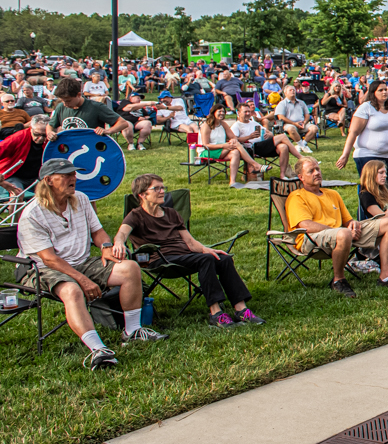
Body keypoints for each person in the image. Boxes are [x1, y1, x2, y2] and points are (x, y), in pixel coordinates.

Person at [16, 159, 166, 369]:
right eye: (66, 175)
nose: (73, 178)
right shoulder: (33, 214)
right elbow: (49, 258)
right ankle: (98, 349)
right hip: (42, 268)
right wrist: (83, 280)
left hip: (81, 261)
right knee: (72, 290)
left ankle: (132, 331)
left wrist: (106, 246)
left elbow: (98, 232)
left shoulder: (81, 199)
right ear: (48, 180)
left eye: (74, 174)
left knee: (130, 268)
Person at [115, 173, 265, 327]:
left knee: (223, 259)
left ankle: (241, 310)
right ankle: (216, 313)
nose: (162, 191)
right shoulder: (135, 216)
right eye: (157, 188)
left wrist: (206, 249)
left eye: (163, 187)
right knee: (205, 259)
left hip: (185, 255)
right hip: (161, 259)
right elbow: (121, 234)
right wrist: (119, 243)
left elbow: (190, 242)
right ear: (142, 194)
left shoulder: (171, 213)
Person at [286, 157, 388, 297]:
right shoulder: (296, 197)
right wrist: (341, 231)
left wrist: (353, 225)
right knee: (344, 233)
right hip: (310, 238)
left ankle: (386, 277)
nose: (316, 173)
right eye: (311, 171)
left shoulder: (332, 194)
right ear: (301, 177)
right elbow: (306, 225)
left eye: (318, 169)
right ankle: (338, 280)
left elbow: (348, 220)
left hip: (341, 234)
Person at [336, 79, 388, 179]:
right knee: (369, 186)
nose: (384, 92)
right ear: (373, 92)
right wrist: (345, 154)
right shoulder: (366, 107)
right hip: (368, 155)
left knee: (385, 186)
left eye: (385, 90)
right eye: (380, 90)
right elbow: (353, 132)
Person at [198, 104, 268, 185]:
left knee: (236, 152)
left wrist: (232, 141)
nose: (222, 113)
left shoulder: (223, 124)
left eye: (223, 111)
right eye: (219, 111)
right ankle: (255, 164)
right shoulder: (206, 126)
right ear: (213, 112)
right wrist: (224, 145)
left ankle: (232, 181)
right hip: (208, 152)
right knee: (236, 145)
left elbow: (233, 137)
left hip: (221, 150)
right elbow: (206, 145)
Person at [46, 77, 131, 142]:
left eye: (68, 101)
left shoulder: (96, 107)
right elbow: (50, 125)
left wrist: (108, 131)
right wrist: (50, 133)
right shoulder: (61, 107)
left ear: (79, 95)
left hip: (91, 149)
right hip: (69, 150)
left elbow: (122, 123)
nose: (65, 104)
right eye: (63, 101)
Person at [230, 100, 295, 180]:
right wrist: (249, 137)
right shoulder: (236, 125)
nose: (248, 113)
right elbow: (235, 140)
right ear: (238, 113)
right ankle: (300, 157)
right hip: (252, 149)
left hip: (263, 146)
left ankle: (282, 175)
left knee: (283, 147)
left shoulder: (253, 123)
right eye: (245, 112)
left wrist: (270, 134)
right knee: (283, 136)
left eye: (249, 111)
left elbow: (268, 132)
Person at [0, 115, 48, 195]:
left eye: (44, 135)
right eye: (36, 134)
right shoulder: (18, 137)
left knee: (52, 192)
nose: (40, 138)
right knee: (17, 193)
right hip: (14, 175)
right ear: (30, 128)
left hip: (37, 177)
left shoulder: (50, 139)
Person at [275, 86, 317, 153]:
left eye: (294, 90)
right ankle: (303, 146)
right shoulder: (282, 104)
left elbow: (307, 114)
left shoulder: (301, 102)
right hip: (289, 124)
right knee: (291, 129)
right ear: (285, 93)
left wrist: (304, 122)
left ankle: (302, 145)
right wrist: (294, 123)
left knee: (314, 128)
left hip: (302, 123)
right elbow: (281, 117)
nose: (292, 91)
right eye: (290, 90)